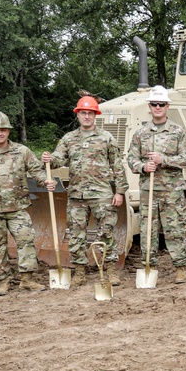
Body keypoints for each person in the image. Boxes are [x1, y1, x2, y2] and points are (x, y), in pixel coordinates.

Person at [0, 111, 56, 296]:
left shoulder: (22, 151)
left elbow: (36, 170)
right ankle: (2, 280)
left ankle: (27, 279)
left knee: (26, 239)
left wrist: (45, 180)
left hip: (17, 208)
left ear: (8, 131)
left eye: (3, 129)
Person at [42, 96, 130, 287]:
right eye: (84, 113)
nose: (87, 116)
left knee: (106, 232)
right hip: (77, 195)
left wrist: (120, 191)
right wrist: (49, 158)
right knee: (76, 234)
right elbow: (58, 159)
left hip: (102, 194)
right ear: (78, 115)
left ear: (95, 115)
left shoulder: (107, 138)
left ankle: (110, 270)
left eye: (90, 113)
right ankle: (80, 272)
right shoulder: (69, 139)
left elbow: (117, 166)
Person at [126, 85, 186, 283]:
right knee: (148, 230)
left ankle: (180, 267)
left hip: (171, 191)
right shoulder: (140, 133)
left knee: (174, 229)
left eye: (161, 104)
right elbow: (131, 159)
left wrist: (163, 159)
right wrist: (143, 166)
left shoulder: (178, 132)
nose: (157, 107)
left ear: (167, 106)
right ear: (149, 106)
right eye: (154, 104)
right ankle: (150, 265)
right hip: (149, 191)